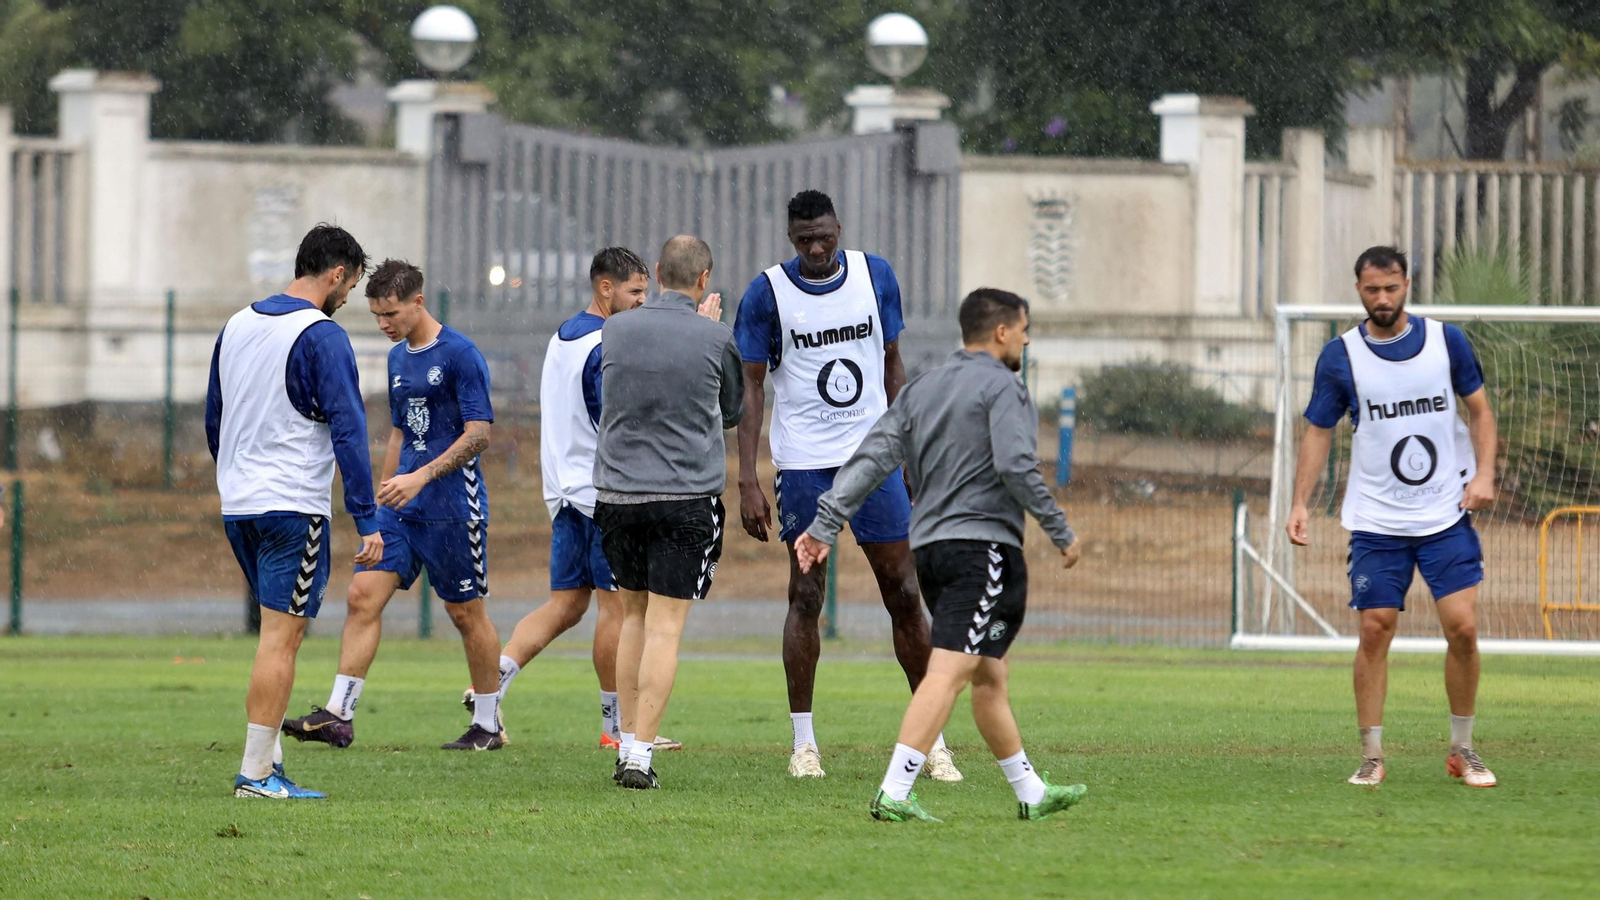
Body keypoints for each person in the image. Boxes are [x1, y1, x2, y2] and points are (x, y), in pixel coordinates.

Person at [794, 288, 1086, 823]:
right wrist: (1059, 529)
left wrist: (825, 521)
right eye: (1024, 329)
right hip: (982, 550)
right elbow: (1018, 466)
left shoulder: (923, 388)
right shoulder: (1005, 386)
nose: (1026, 338)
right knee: (948, 671)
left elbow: (873, 454)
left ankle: (1031, 792)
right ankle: (894, 792)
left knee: (988, 674)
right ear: (1001, 332)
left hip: (929, 550)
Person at [733, 189, 957, 782]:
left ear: (839, 227)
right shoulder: (767, 293)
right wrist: (748, 477)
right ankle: (804, 744)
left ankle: (929, 739)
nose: (815, 248)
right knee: (805, 596)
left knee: (904, 591)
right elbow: (751, 389)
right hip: (805, 464)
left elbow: (892, 363)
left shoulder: (873, 275)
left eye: (823, 236)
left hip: (875, 458)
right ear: (790, 237)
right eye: (803, 239)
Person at [1287, 246, 1499, 788]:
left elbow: (1479, 410)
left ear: (1407, 284)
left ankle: (1463, 748)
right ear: (1358, 290)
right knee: (1375, 630)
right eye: (1372, 290)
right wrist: (1299, 503)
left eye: (1392, 287)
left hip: (1445, 513)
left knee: (1464, 629)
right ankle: (1371, 755)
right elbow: (1318, 431)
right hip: (1377, 520)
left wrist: (1483, 475)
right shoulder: (1341, 356)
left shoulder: (1445, 341)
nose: (1383, 299)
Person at [282, 259, 505, 752]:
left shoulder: (461, 355)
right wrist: (386, 492)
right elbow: (400, 430)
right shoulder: (397, 357)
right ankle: (339, 715)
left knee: (466, 614)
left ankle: (488, 726)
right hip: (400, 512)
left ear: (418, 303)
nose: (384, 324)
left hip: (453, 508)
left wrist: (421, 476)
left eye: (392, 313)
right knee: (362, 596)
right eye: (377, 315)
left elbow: (480, 435)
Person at [465, 247, 679, 752]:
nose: (642, 302)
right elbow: (613, 420)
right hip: (601, 494)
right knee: (621, 611)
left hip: (562, 491)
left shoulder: (562, 337)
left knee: (565, 605)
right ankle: (618, 727)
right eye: (635, 292)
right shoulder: (605, 343)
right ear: (605, 288)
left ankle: (489, 688)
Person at [206, 224, 381, 799]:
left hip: (240, 504)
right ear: (336, 274)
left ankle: (269, 761)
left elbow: (217, 419)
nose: (348, 297)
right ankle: (255, 775)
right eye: (350, 286)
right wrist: (368, 517)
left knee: (272, 637)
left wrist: (237, 474)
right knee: (282, 639)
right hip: (292, 507)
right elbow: (350, 431)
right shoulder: (321, 334)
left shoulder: (236, 324)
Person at [594, 235, 741, 789]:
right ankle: (640, 756)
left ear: (655, 272)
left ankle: (626, 740)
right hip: (684, 497)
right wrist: (707, 332)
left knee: (632, 617)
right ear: (704, 280)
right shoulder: (715, 336)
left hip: (617, 495)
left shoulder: (615, 328)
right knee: (665, 629)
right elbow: (729, 410)